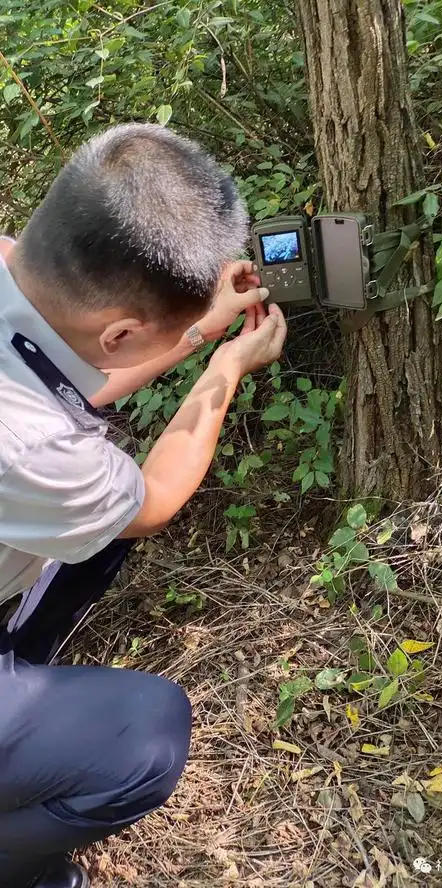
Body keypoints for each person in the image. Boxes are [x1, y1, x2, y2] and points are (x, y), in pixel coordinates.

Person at [0, 122, 287, 888]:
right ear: (123, 331)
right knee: (145, 736)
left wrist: (193, 330)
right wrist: (226, 365)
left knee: (95, 535)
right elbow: (153, 501)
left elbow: (63, 373)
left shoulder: (15, 271)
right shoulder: (28, 446)